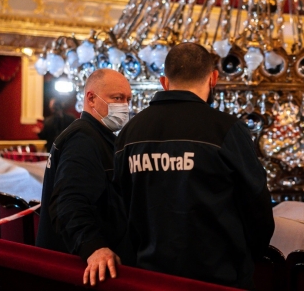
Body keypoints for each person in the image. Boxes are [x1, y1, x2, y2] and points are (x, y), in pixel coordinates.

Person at [114, 42, 275, 289]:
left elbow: (119, 207)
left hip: (149, 276)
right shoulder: (226, 129)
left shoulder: (130, 132)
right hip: (218, 279)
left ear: (164, 82)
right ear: (213, 78)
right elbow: (258, 208)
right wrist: (245, 260)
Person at [36, 68, 132, 286]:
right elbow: (68, 202)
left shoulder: (93, 135)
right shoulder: (83, 138)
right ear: (91, 98)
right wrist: (93, 247)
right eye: (117, 98)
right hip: (75, 270)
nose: (124, 106)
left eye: (128, 99)